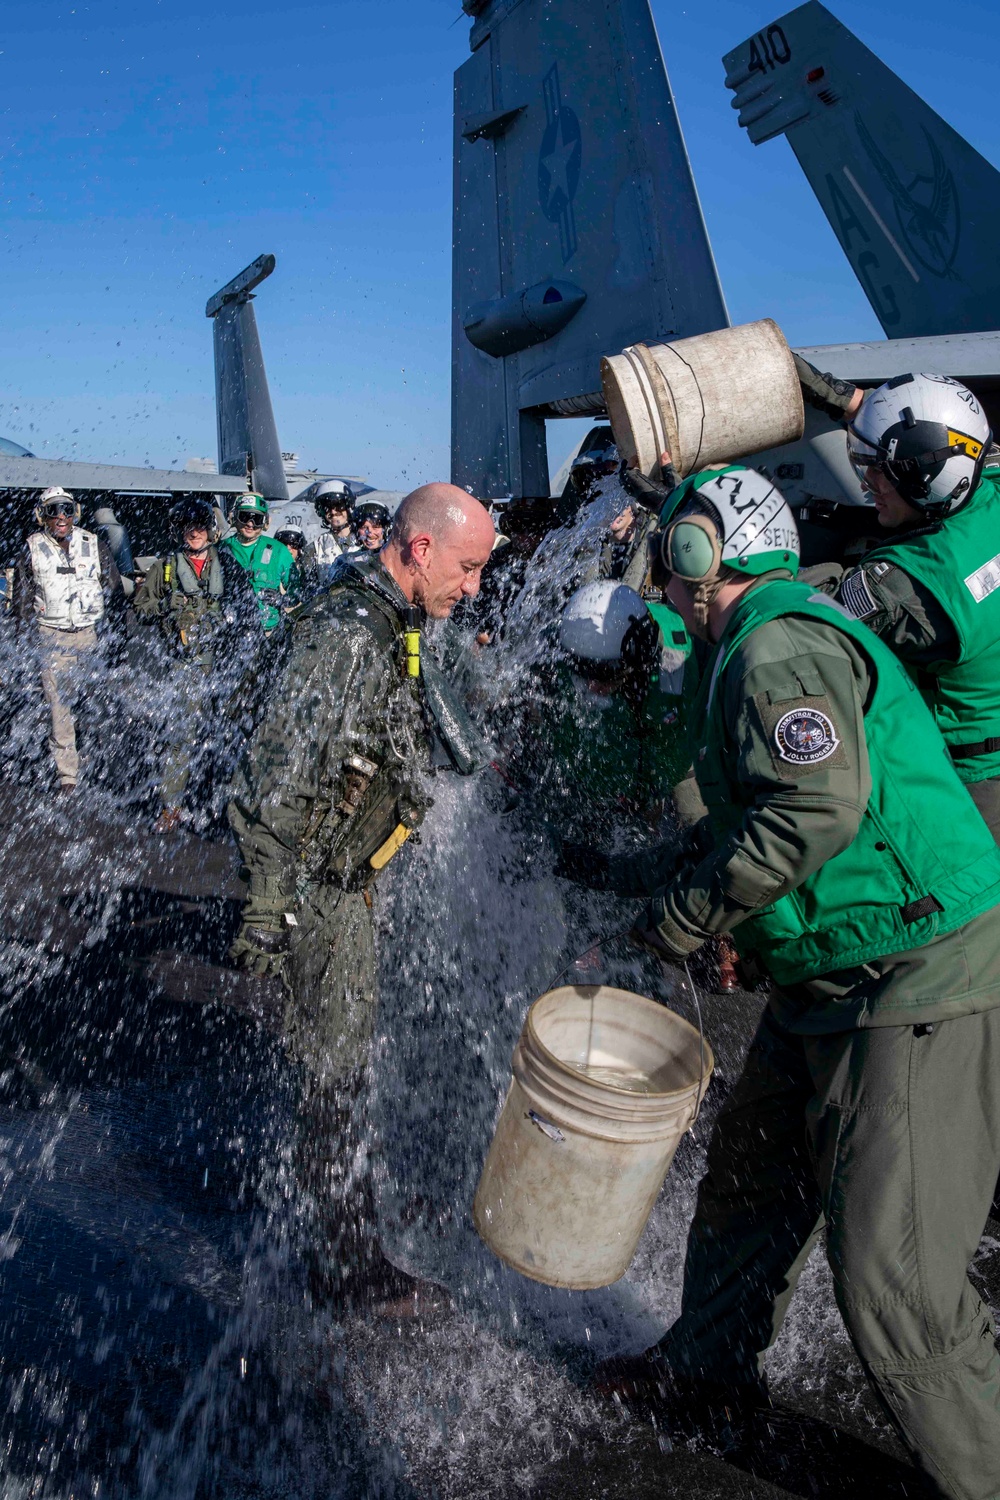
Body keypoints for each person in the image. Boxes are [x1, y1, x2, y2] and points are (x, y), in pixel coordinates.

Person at [587, 465, 1000, 1499]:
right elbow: (747, 819)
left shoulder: (775, 642)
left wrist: (691, 914)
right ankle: (704, 1379)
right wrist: (691, 898)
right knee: (749, 1181)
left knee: (893, 1282)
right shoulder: (740, 644)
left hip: (903, 974)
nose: (659, 556)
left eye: (673, 536)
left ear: (703, 551)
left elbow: (811, 812)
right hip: (826, 971)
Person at [228, 482, 496, 1308]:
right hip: (322, 891)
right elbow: (274, 781)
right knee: (335, 1074)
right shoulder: (348, 634)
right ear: (419, 549)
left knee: (340, 1065)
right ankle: (346, 1266)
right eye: (469, 567)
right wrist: (271, 917)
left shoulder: (392, 613)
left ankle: (347, 1221)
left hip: (348, 881)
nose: (475, 587)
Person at [823, 373, 1000, 842]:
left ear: (924, 477)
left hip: (971, 787)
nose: (868, 480)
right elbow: (956, 443)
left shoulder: (909, 586)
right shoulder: (988, 489)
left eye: (881, 468)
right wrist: (858, 403)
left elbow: (809, 619)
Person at [134, 496, 259, 832]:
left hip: (224, 664)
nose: (195, 533)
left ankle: (231, 808)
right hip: (186, 665)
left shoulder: (228, 565)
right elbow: (141, 611)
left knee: (231, 734)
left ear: (210, 529)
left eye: (201, 527)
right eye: (189, 528)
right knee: (182, 736)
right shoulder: (165, 568)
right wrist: (164, 605)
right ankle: (171, 807)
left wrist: (239, 651)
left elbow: (248, 611)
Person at [11, 486, 124, 792]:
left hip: (89, 635)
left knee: (92, 701)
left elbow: (113, 589)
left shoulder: (93, 544)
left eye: (66, 509)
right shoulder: (31, 549)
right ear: (42, 516)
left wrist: (117, 641)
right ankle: (67, 777)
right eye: (53, 510)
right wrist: (25, 648)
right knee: (59, 707)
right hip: (52, 637)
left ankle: (95, 758)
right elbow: (22, 605)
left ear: (76, 512)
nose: (61, 517)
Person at [218, 493, 299, 635]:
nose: (250, 524)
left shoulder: (279, 551)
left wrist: (282, 600)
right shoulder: (221, 549)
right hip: (230, 631)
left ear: (265, 521)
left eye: (256, 519)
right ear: (234, 517)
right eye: (245, 517)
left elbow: (297, 588)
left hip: (269, 631)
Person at [301, 480, 357, 589]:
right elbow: (305, 587)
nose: (333, 511)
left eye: (338, 505)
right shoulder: (315, 549)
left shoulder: (365, 542)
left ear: (349, 505)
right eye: (326, 507)